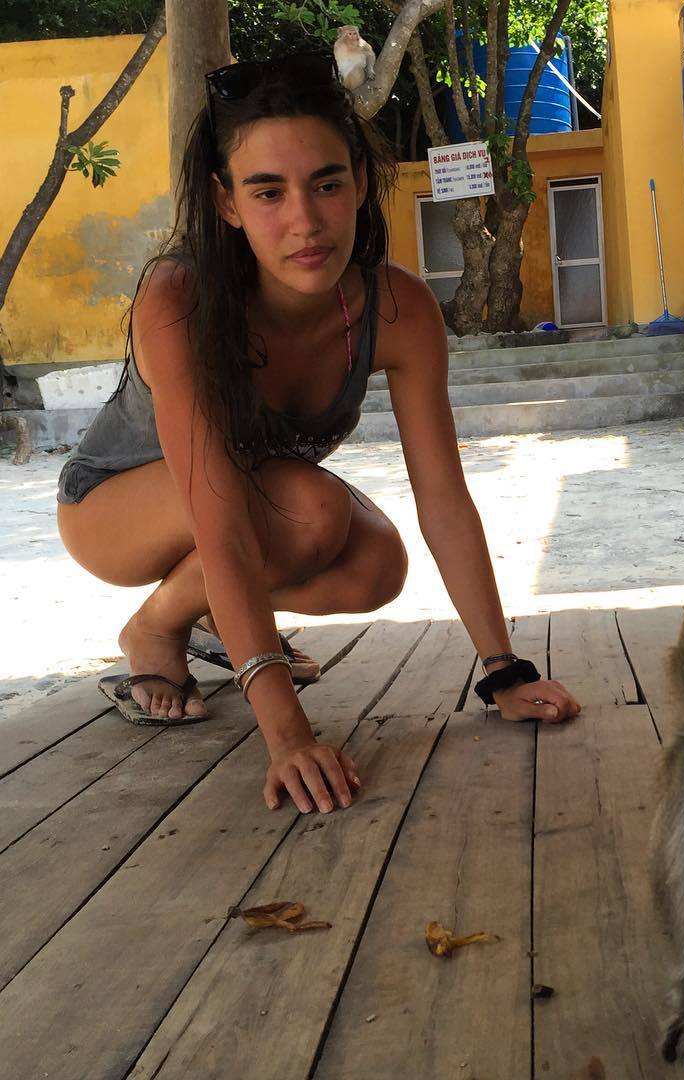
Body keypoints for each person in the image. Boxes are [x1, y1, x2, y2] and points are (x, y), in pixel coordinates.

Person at [55, 51, 579, 816]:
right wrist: (288, 736)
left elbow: (444, 500)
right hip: (113, 510)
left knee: (376, 565)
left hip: (253, 507)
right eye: (268, 191)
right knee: (310, 510)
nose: (304, 221)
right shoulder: (179, 301)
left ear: (360, 183)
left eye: (327, 184)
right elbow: (221, 519)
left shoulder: (397, 309)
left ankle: (209, 614)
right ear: (227, 201)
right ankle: (155, 629)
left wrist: (503, 670)